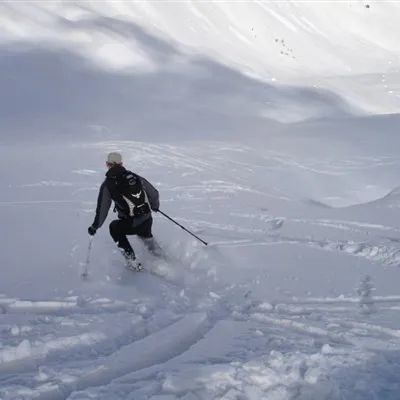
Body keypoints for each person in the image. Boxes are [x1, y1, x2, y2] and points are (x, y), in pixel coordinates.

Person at [88, 152, 160, 270]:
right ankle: (161, 258)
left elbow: (102, 209)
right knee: (146, 235)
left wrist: (95, 226)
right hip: (147, 218)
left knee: (114, 227)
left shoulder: (108, 185)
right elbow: (154, 193)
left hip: (131, 222)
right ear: (121, 164)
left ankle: (132, 262)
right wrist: (155, 206)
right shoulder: (134, 176)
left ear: (107, 164)